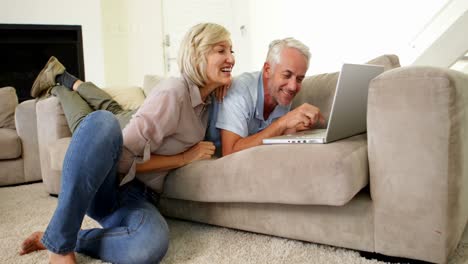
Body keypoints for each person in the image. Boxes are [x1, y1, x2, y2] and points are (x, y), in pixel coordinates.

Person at [19, 22, 235, 264]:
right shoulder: (174, 93)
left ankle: (60, 237)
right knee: (103, 121)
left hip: (142, 198)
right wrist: (184, 158)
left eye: (232, 51)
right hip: (109, 185)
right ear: (197, 54)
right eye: (221, 50)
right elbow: (122, 161)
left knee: (148, 246)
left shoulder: (209, 103)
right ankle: (60, 246)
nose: (231, 58)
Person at [206, 37, 325, 156]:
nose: (293, 87)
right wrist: (283, 122)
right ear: (268, 70)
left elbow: (264, 135)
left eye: (299, 79)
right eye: (287, 75)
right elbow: (230, 152)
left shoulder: (281, 93)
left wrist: (289, 131)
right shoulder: (240, 90)